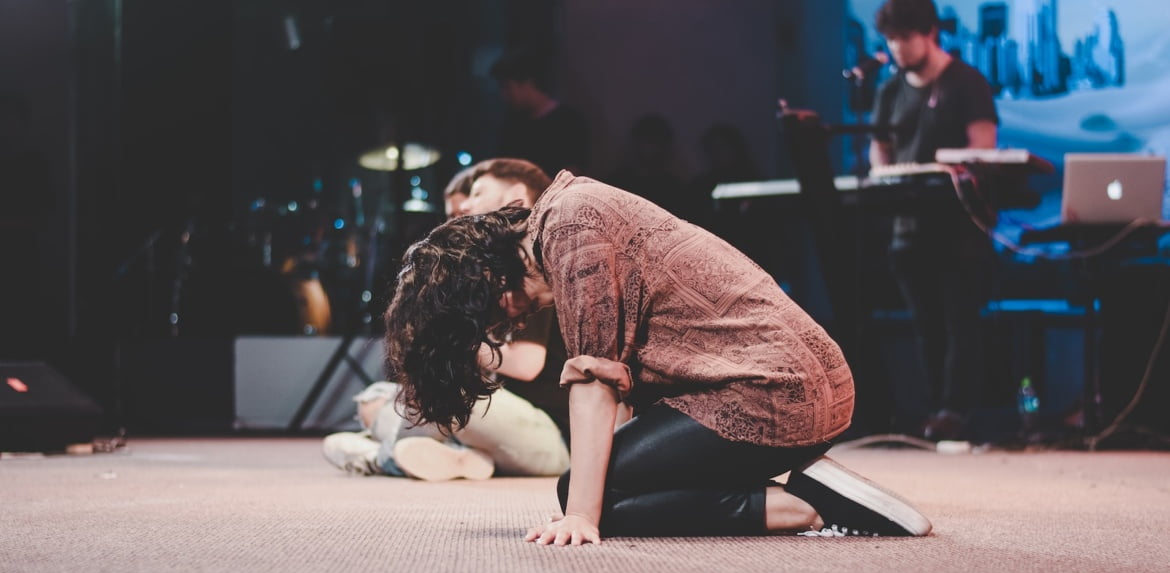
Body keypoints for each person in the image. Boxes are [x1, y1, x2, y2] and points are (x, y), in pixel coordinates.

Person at [383, 168, 934, 545]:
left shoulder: (571, 230)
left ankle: (805, 507)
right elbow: (623, 393)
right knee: (596, 483)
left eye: (488, 317)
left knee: (583, 495)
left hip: (774, 392)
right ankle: (806, 490)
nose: (504, 325)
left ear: (486, 279)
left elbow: (595, 384)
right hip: (791, 383)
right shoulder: (567, 217)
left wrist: (580, 517)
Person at [322, 158, 571, 481]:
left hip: (548, 435)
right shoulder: (496, 273)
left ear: (517, 198)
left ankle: (380, 457)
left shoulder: (532, 270)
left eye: (478, 192)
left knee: (430, 392)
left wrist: (449, 341)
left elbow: (526, 364)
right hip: (503, 425)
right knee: (375, 398)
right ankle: (461, 457)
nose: (467, 204)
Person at [868, 0, 999, 441]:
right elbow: (879, 149)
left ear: (930, 33)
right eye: (890, 39)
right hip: (908, 228)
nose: (897, 48)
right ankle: (931, 411)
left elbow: (984, 149)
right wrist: (885, 174)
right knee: (923, 324)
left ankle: (956, 412)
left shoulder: (967, 82)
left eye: (905, 37)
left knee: (960, 321)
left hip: (959, 227)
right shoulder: (888, 91)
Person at [490, 46, 590, 178]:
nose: (504, 95)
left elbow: (572, 175)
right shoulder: (512, 124)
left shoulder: (569, 122)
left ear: (527, 83)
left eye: (507, 87)